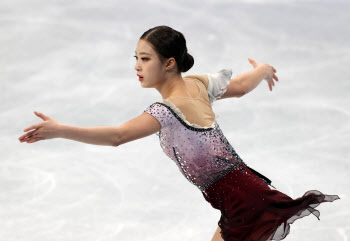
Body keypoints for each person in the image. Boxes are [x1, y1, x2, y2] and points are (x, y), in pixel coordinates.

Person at [18, 25, 340, 241]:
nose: (137, 67)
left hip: (244, 200)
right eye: (136, 58)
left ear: (169, 63)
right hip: (240, 195)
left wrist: (60, 130)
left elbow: (117, 136)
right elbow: (241, 87)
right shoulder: (198, 83)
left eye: (145, 59)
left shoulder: (167, 111)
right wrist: (262, 70)